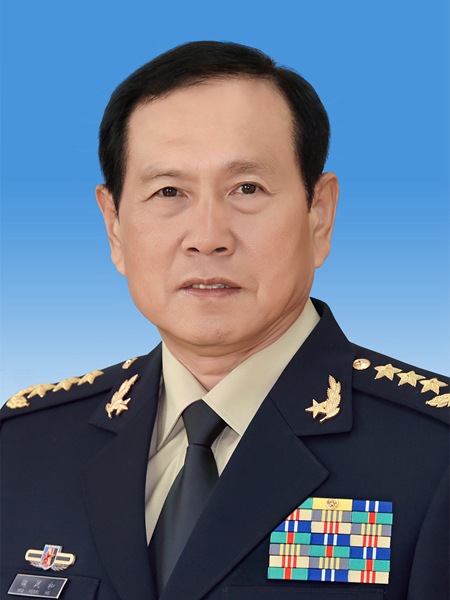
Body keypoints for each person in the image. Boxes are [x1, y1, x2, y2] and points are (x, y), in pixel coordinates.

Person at [1, 41, 448, 600]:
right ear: (114, 226)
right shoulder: (23, 448)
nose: (208, 237)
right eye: (169, 191)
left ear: (319, 214)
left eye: (247, 189)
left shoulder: (433, 455)